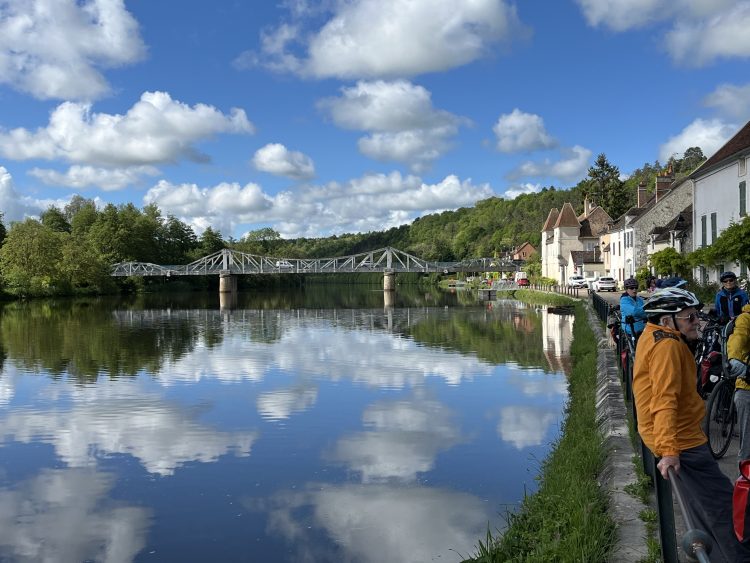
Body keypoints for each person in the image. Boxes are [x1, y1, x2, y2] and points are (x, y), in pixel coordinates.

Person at [633, 288, 750, 561]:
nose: (696, 321)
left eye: (695, 315)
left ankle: (713, 555)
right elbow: (664, 400)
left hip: (677, 437)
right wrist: (670, 450)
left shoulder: (651, 335)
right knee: (723, 509)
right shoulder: (668, 347)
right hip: (682, 442)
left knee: (701, 508)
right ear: (667, 321)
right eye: (689, 317)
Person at [732, 303, 750, 460]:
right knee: (748, 444)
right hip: (747, 384)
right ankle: (745, 476)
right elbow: (738, 338)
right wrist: (735, 360)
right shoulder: (746, 318)